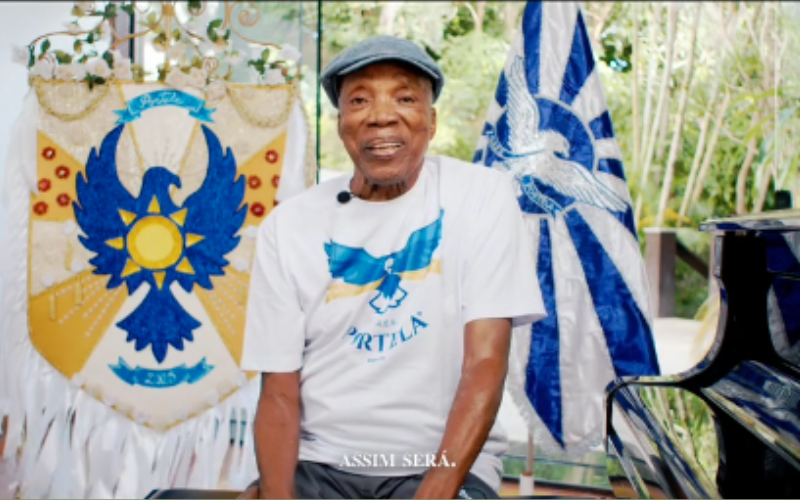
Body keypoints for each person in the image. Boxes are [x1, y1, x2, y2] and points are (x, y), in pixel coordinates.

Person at [239, 35, 545, 499]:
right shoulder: (290, 225)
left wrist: (435, 492)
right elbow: (279, 392)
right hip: (319, 466)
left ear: (431, 120)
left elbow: (485, 363)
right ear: (342, 122)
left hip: (442, 466)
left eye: (404, 97)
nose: (382, 114)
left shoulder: (481, 196)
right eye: (360, 100)